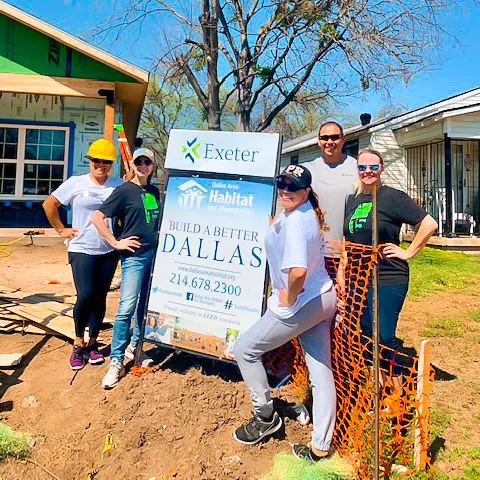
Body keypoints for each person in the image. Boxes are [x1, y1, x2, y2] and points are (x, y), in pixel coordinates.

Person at [233, 164, 337, 462]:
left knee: (245, 349)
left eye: (292, 187)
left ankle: (266, 418)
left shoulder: (295, 221)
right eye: (282, 183)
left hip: (301, 303)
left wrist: (288, 296)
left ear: (306, 191)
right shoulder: (296, 214)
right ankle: (320, 446)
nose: (285, 190)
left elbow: (298, 271)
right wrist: (274, 229)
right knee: (320, 371)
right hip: (322, 298)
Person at [339, 148, 437, 393]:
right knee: (366, 335)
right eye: (362, 167)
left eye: (373, 167)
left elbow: (429, 223)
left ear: (381, 168)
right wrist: (342, 270)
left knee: (383, 337)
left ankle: (398, 398)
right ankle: (382, 389)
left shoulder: (391, 197)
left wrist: (408, 252)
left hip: (387, 277)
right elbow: (346, 239)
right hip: (357, 278)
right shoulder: (353, 199)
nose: (368, 172)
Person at [42, 138, 123, 370]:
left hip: (108, 250)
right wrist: (61, 229)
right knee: (85, 294)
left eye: (106, 161)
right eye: (96, 160)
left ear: (111, 163)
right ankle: (78, 342)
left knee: (100, 298)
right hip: (81, 248)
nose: (101, 165)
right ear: (89, 160)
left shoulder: (117, 186)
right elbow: (49, 205)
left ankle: (93, 343)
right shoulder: (76, 183)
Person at [91, 147, 161, 390]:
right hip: (134, 257)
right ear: (133, 164)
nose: (143, 165)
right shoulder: (123, 191)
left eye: (147, 162)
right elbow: (97, 218)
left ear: (153, 166)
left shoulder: (154, 191)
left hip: (154, 257)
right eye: (139, 161)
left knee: (145, 307)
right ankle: (116, 361)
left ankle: (137, 348)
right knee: (126, 308)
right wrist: (115, 242)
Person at [301, 121, 357, 277]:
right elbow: (282, 184)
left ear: (342, 139)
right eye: (325, 138)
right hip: (313, 253)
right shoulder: (307, 170)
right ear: (319, 141)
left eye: (334, 137)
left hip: (347, 254)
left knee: (343, 300)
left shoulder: (357, 167)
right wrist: (272, 144)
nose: (329, 142)